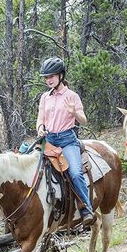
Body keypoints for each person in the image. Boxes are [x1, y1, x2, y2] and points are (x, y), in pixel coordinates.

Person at [36, 57, 95, 227]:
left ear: (61, 76)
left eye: (52, 76)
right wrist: (40, 128)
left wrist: (74, 112)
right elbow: (40, 118)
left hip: (67, 139)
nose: (49, 80)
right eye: (46, 77)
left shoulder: (72, 96)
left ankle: (86, 209)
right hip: (49, 140)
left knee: (75, 173)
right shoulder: (44, 97)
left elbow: (83, 120)